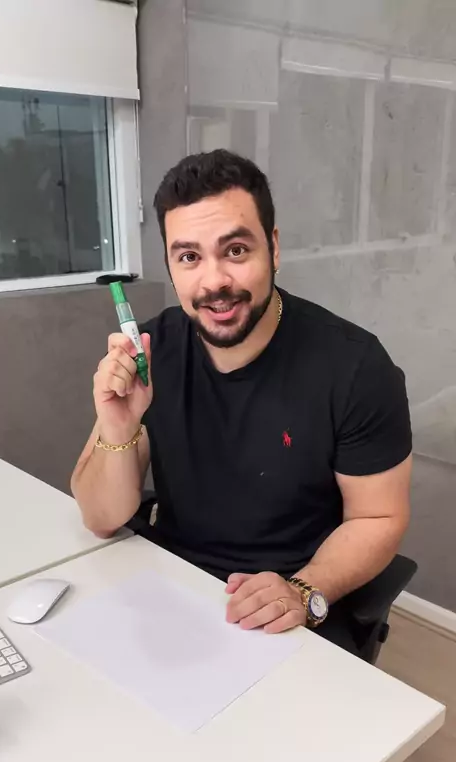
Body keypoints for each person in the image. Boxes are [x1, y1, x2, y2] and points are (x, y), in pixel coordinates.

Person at [71, 149, 412, 653]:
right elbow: (100, 518)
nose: (214, 282)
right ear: (170, 265)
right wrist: (119, 427)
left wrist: (306, 590)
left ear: (273, 247)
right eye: (189, 257)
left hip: (286, 603)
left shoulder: (355, 368)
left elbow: (378, 517)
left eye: (235, 250)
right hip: (171, 587)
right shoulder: (149, 350)